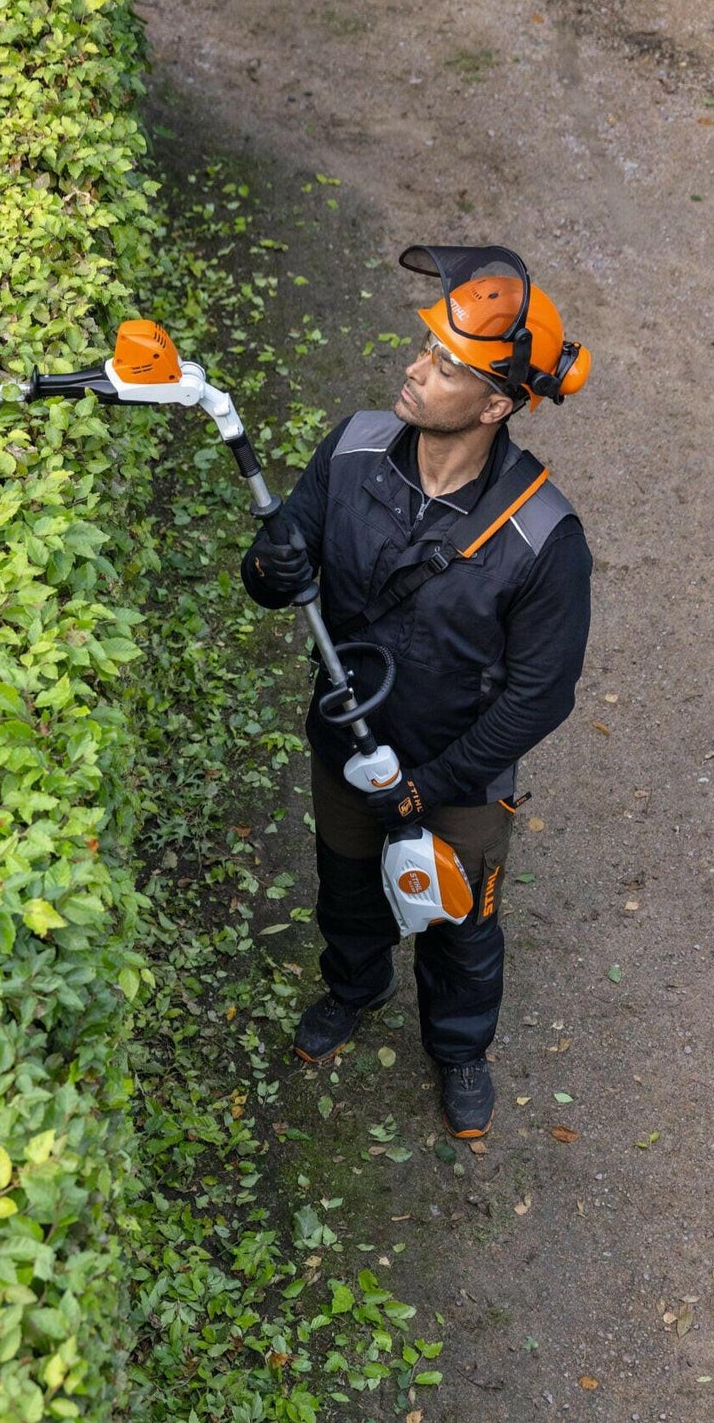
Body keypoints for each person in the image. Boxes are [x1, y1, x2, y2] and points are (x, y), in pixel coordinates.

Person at [240, 245, 593, 1139]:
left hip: (459, 778)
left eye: (444, 364)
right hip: (346, 740)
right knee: (348, 886)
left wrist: (428, 785)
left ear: (497, 402)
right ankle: (353, 988)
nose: (414, 368)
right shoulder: (354, 448)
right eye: (423, 350)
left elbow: (539, 696)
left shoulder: (543, 538)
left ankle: (460, 1049)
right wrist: (270, 565)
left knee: (461, 925)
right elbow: (282, 567)